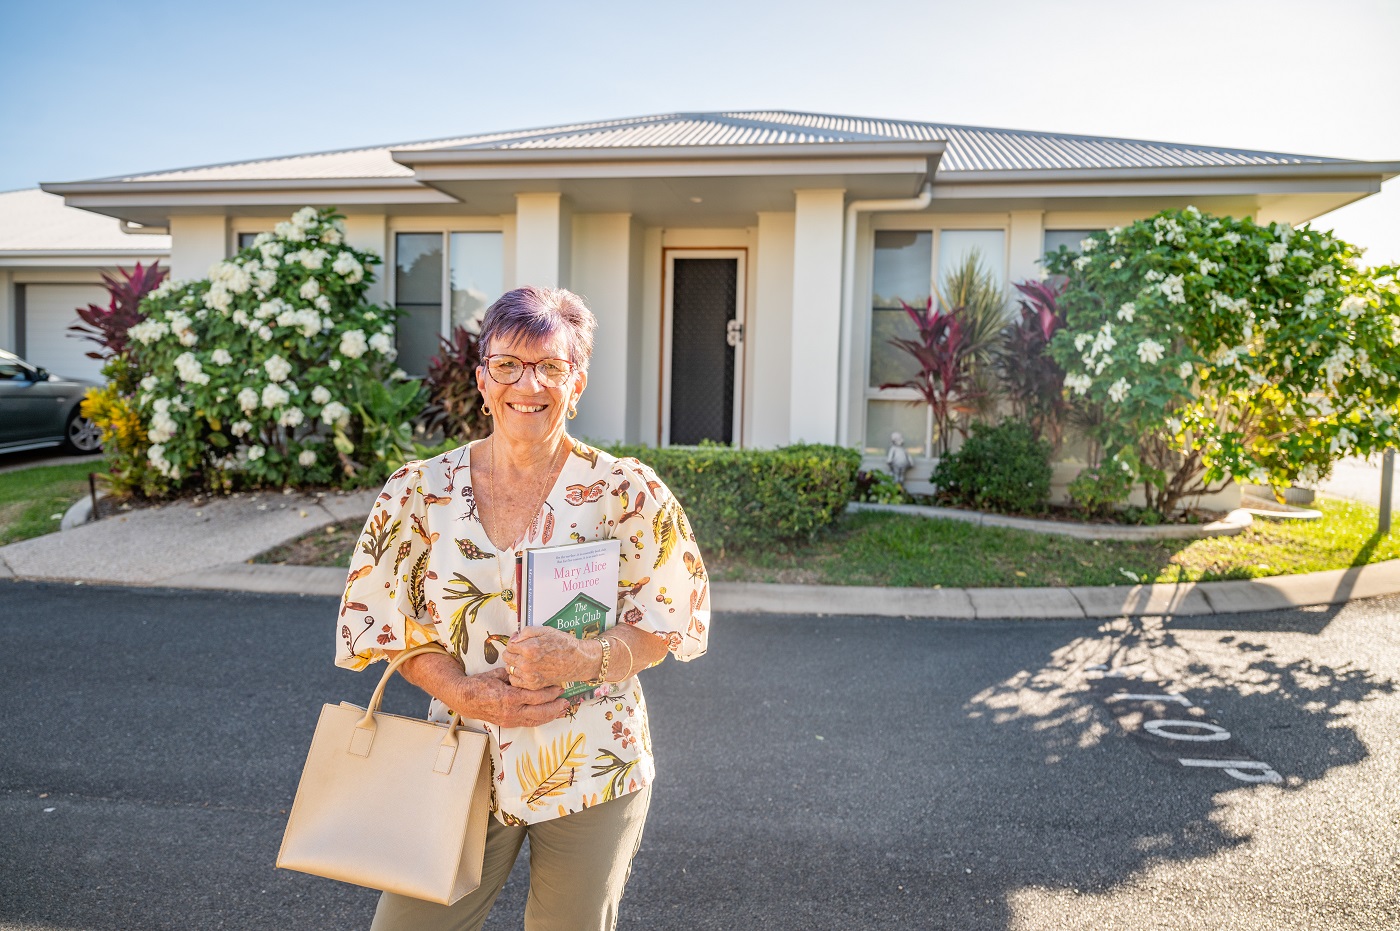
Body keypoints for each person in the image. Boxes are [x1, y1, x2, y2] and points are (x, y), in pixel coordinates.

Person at [335, 286, 710, 931]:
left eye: (550, 366)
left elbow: (671, 616)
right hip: (461, 750)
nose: (527, 383)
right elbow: (386, 618)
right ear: (483, 378)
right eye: (508, 364)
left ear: (578, 381)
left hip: (594, 759)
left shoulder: (628, 492)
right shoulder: (420, 492)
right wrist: (460, 690)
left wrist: (590, 656)